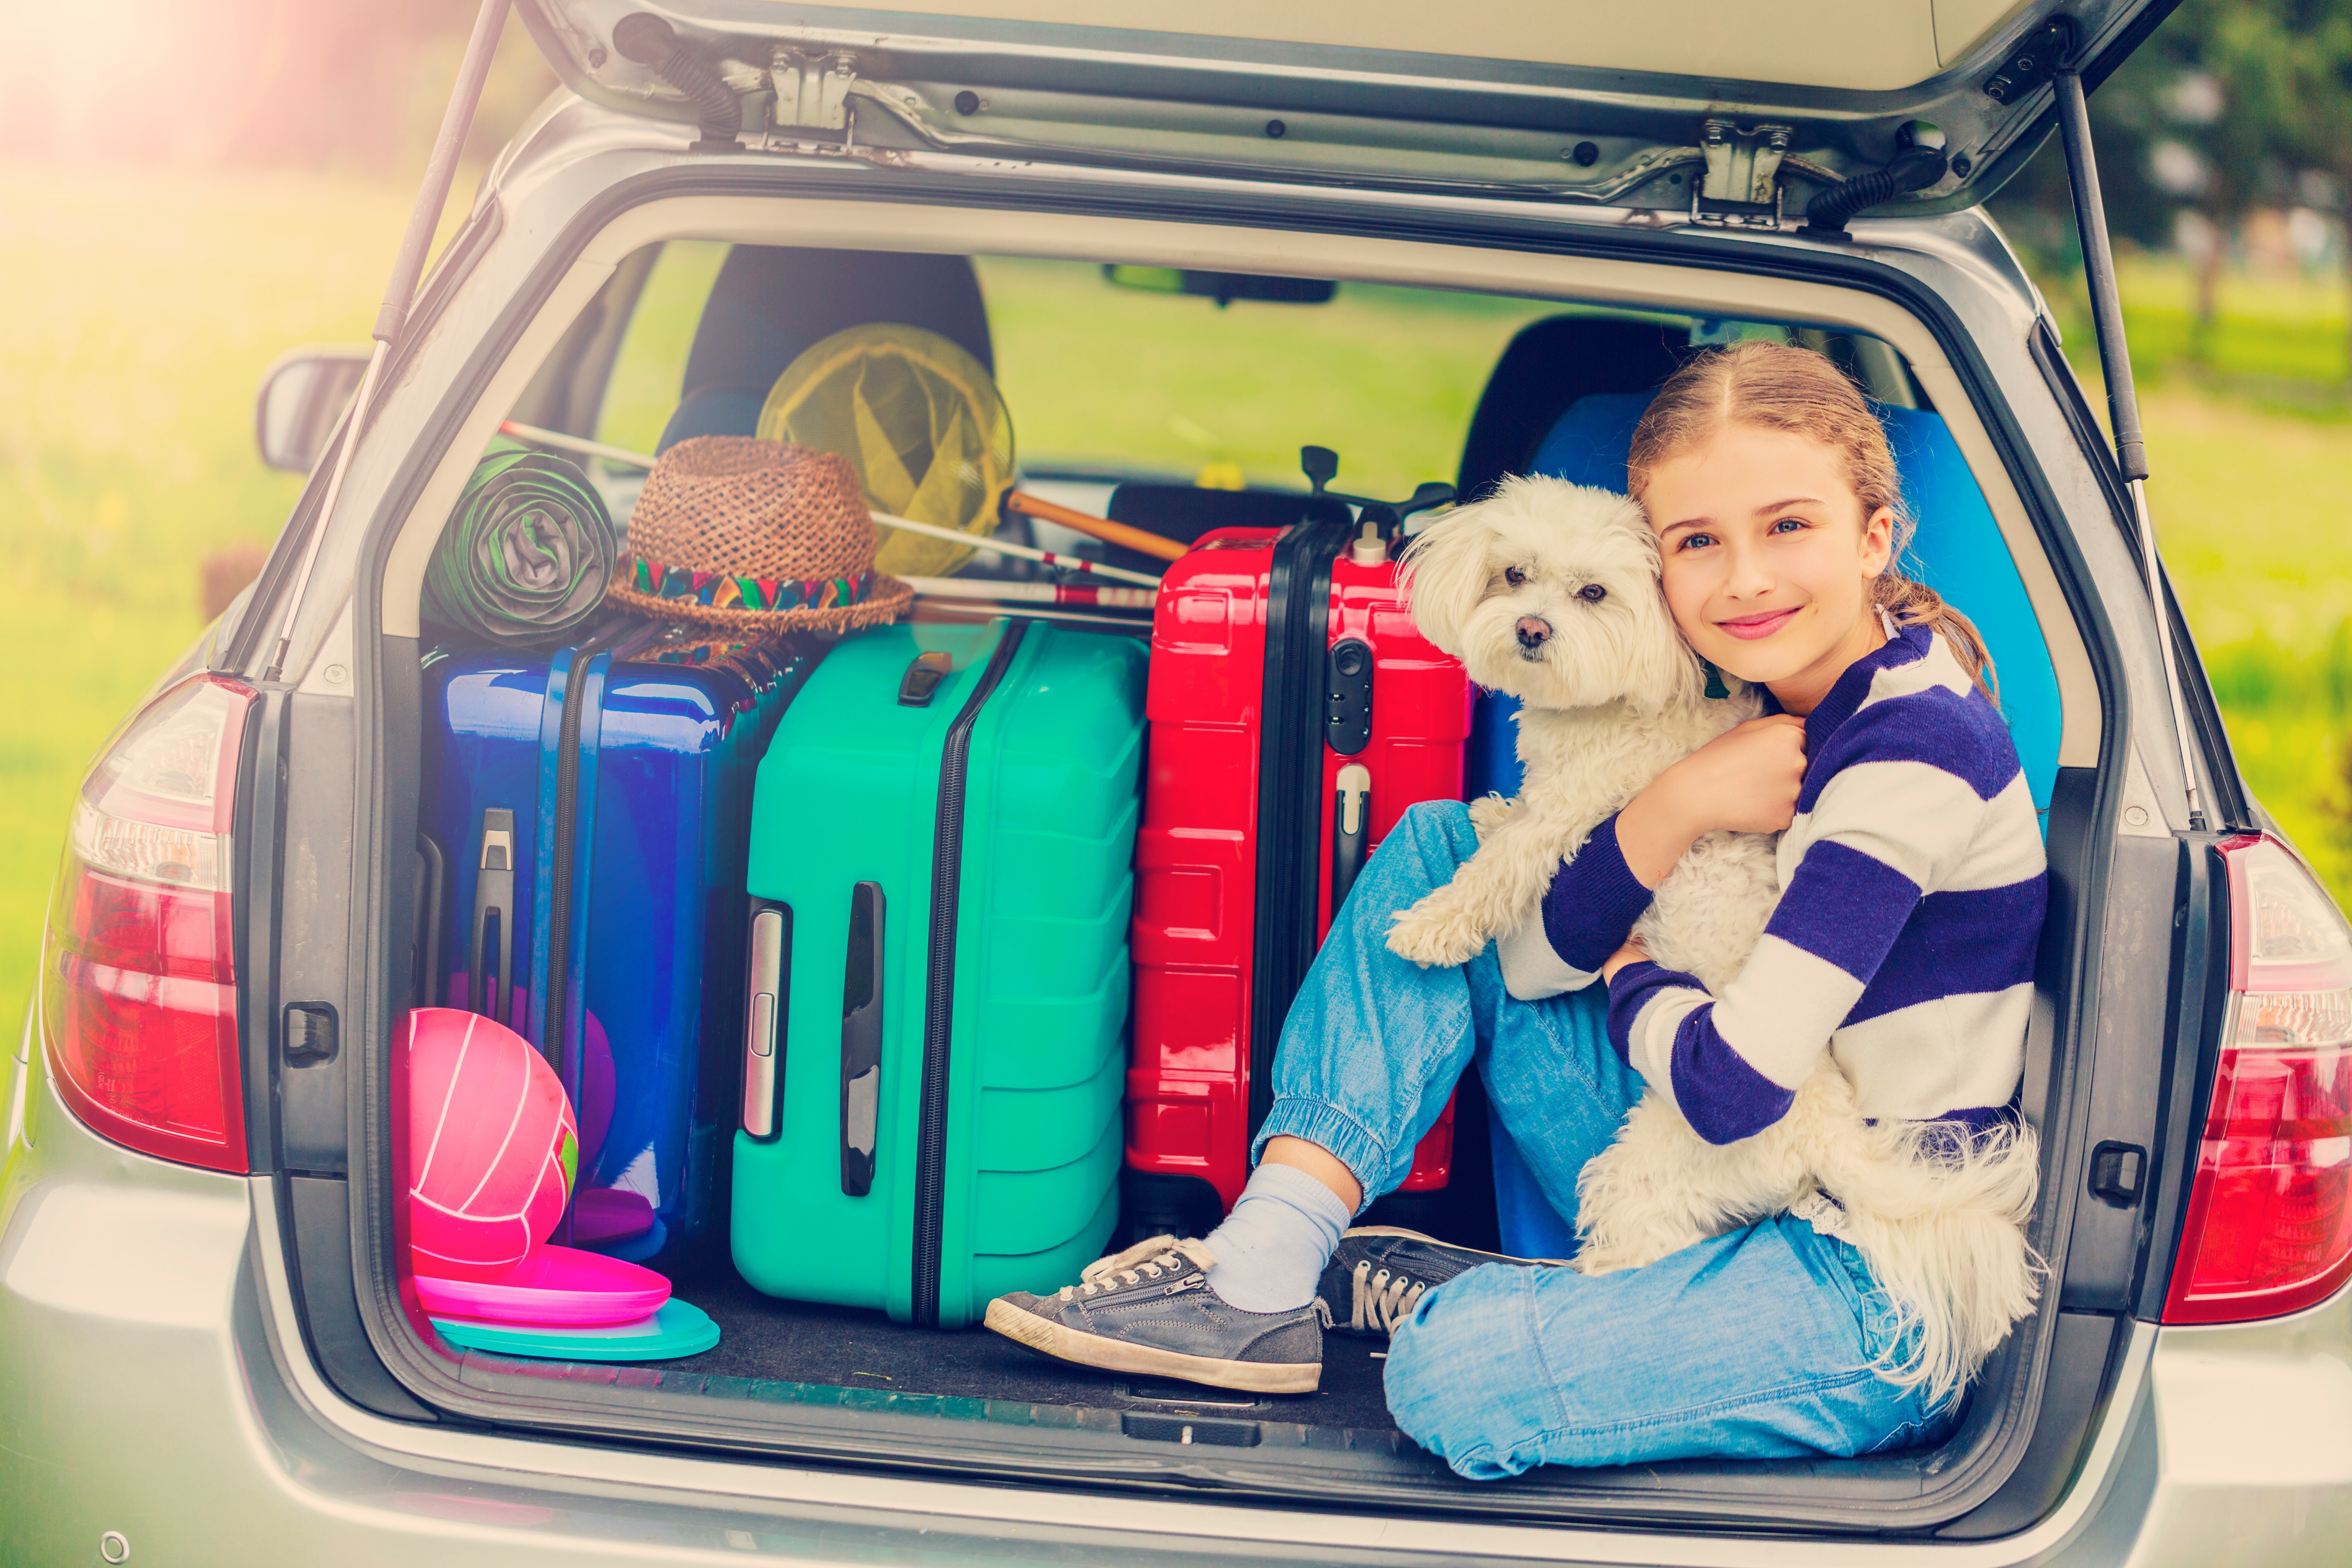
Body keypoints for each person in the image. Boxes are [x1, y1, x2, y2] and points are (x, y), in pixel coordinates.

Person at [985, 340, 2048, 1479]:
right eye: (1699, 542)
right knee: (1453, 848)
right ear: (1659, 567)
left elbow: (1736, 1090)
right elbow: (1535, 969)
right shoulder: (1737, 706)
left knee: (1451, 1373)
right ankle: (1260, 1269)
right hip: (1710, 1159)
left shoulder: (1914, 745)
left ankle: (1525, 1309)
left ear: (1875, 534)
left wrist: (1635, 969)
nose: (1745, 579)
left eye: (1787, 527)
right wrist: (1678, 804)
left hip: (1864, 1278)